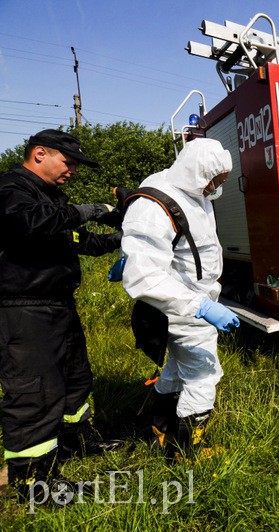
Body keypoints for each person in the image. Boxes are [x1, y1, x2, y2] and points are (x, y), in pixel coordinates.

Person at [0, 129, 123, 500]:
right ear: (39, 154)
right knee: (33, 391)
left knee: (74, 379)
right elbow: (28, 223)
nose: (73, 171)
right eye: (68, 162)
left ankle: (76, 441)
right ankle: (32, 479)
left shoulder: (50, 197)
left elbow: (76, 240)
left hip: (58, 305)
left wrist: (121, 238)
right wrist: (88, 211)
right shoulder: (11, 188)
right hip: (24, 308)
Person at [119, 138, 239, 458]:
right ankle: (189, 450)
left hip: (195, 298)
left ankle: (162, 429)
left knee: (174, 367)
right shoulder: (156, 201)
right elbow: (145, 275)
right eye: (214, 181)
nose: (217, 188)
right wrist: (201, 305)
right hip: (183, 306)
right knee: (202, 375)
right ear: (198, 173)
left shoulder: (193, 191)